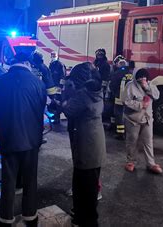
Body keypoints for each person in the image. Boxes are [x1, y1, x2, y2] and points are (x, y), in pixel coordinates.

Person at [0, 52, 46, 226]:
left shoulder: (0, 82)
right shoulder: (37, 83)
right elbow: (42, 107)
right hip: (31, 139)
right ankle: (30, 215)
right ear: (27, 63)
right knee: (30, 178)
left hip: (8, 137)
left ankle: (6, 217)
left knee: (8, 178)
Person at [62, 62, 106, 227]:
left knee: (83, 186)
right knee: (90, 185)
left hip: (86, 145)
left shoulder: (82, 95)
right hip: (96, 144)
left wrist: (66, 94)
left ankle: (85, 220)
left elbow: (67, 109)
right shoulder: (96, 92)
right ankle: (84, 216)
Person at [123, 68, 162, 174]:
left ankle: (151, 164)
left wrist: (147, 87)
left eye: (145, 77)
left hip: (147, 118)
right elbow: (126, 101)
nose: (143, 79)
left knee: (148, 141)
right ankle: (130, 162)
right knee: (132, 141)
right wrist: (140, 105)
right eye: (140, 77)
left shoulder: (150, 85)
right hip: (133, 119)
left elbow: (156, 95)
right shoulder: (130, 86)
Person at [109, 55, 133, 140]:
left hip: (119, 98)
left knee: (119, 115)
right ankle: (127, 132)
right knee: (127, 115)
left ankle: (120, 134)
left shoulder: (117, 73)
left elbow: (112, 85)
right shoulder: (130, 73)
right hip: (129, 98)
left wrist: (113, 93)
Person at [48, 51, 66, 124]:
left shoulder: (60, 65)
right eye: (52, 55)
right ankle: (55, 115)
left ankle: (57, 117)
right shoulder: (51, 64)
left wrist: (60, 86)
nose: (53, 57)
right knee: (54, 101)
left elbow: (63, 76)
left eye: (54, 55)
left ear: (57, 56)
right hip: (53, 86)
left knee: (58, 101)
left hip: (58, 86)